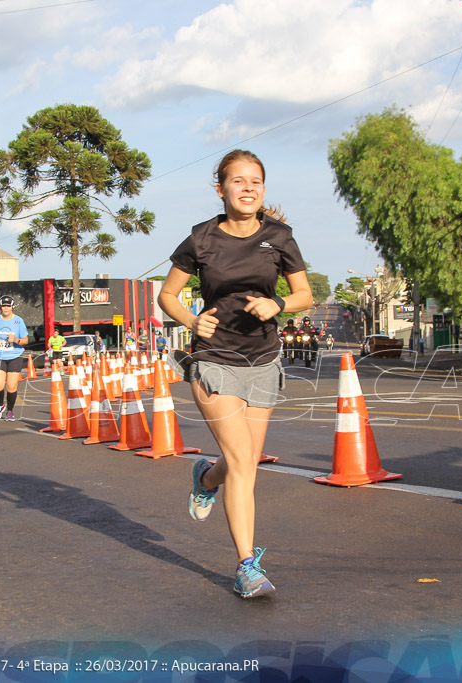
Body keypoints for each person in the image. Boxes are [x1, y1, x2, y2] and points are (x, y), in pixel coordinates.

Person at [157, 149, 312, 599]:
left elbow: (303, 293)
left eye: (256, 181)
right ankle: (247, 567)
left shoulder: (279, 237)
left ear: (262, 189)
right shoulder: (200, 239)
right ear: (220, 188)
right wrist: (190, 321)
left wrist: (278, 303)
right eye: (238, 180)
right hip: (212, 359)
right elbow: (168, 295)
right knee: (243, 461)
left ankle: (206, 476)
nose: (248, 188)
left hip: (263, 361)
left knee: (242, 464)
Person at [0, 295, 29, 421]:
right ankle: (0, 405)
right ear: (0, 307)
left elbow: (26, 340)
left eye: (8, 306)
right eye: (3, 306)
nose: (6, 308)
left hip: (15, 356)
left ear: (12, 307)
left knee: (11, 386)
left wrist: (15, 340)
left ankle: (10, 410)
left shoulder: (18, 321)